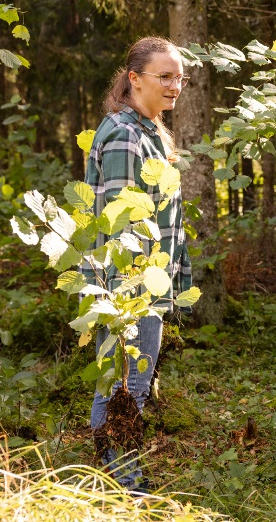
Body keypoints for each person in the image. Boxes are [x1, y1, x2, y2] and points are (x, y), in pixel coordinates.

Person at [83, 36, 192, 493]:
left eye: (179, 78)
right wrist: (130, 301)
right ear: (134, 79)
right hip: (130, 291)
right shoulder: (127, 137)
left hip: (147, 286)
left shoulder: (146, 131)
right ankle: (121, 487)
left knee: (129, 384)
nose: (174, 86)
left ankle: (119, 478)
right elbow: (122, 228)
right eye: (164, 77)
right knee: (125, 387)